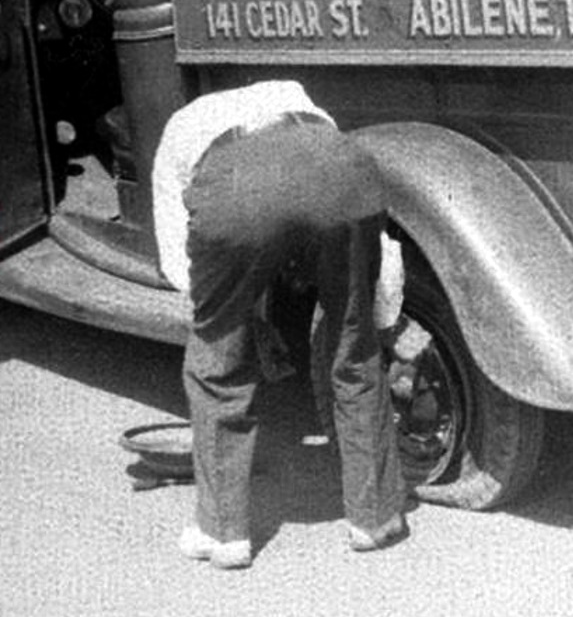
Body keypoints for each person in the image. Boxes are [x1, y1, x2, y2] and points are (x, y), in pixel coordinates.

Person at [152, 79, 407, 569]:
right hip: (344, 174)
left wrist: (240, 313)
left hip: (239, 190)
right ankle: (375, 519)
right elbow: (320, 217)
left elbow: (181, 269)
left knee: (215, 363)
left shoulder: (177, 137)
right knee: (355, 350)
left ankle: (222, 533)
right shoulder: (297, 95)